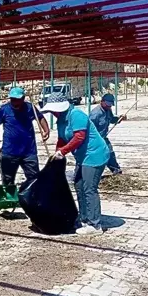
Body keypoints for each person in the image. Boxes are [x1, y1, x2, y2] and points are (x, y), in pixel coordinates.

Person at [41, 93, 109, 235]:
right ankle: (84, 218)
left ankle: (95, 224)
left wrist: (63, 152)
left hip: (94, 154)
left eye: (54, 110)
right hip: (82, 157)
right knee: (79, 185)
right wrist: (56, 154)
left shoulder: (76, 115)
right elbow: (62, 139)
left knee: (89, 188)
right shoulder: (61, 120)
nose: (52, 113)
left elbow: (79, 137)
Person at [0, 86, 50, 193]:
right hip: (9, 152)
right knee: (8, 180)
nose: (15, 102)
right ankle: (9, 202)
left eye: (17, 99)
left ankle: (31, 200)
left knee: (34, 178)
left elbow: (40, 117)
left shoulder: (30, 108)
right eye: (12, 99)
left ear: (23, 98)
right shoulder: (4, 110)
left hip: (29, 151)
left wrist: (46, 130)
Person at [89, 93, 125, 175]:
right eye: (108, 104)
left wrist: (119, 118)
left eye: (110, 105)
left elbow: (112, 119)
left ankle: (116, 170)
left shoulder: (108, 110)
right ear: (102, 102)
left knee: (109, 152)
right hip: (94, 139)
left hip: (103, 137)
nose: (109, 107)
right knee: (93, 156)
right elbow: (88, 129)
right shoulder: (95, 114)